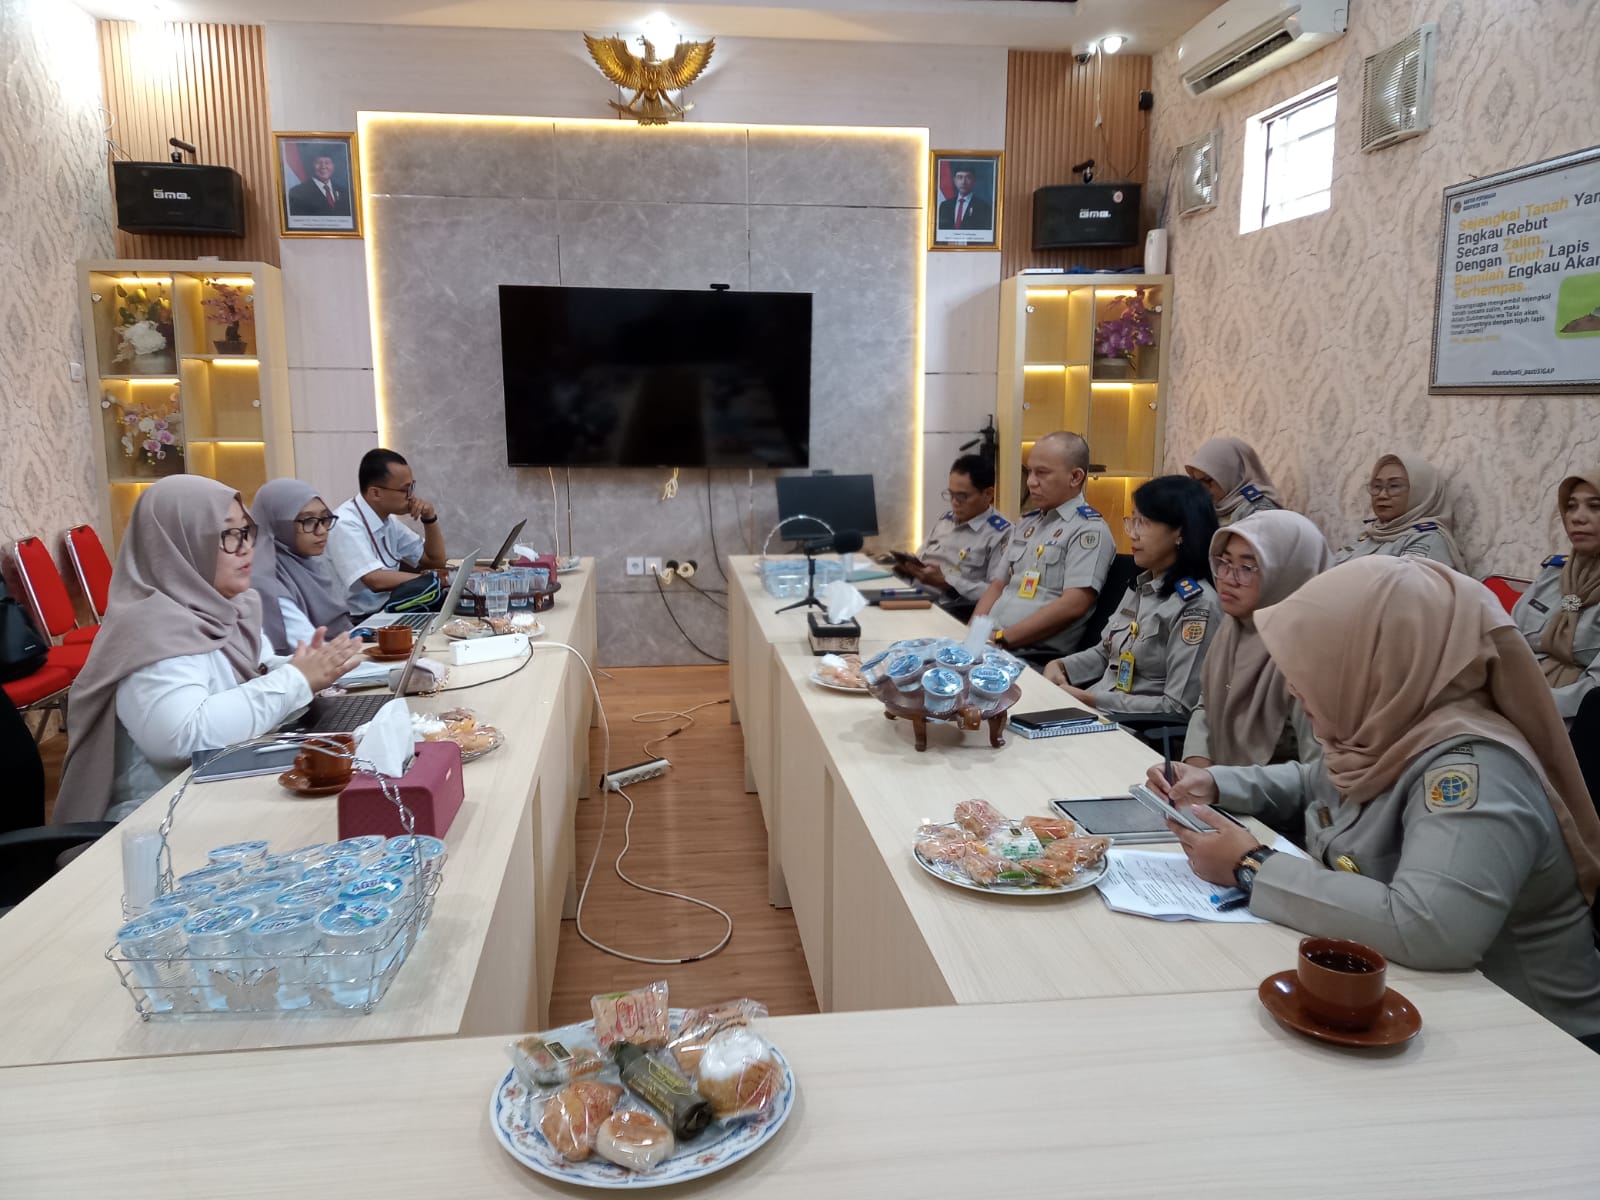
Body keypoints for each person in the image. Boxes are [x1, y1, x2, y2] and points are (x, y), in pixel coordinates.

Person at [1149, 556, 1600, 1044]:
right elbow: (1316, 780)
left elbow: (1429, 927)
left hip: (1529, 1039)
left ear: (1380, 661)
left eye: (1319, 665)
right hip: (1420, 1002)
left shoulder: (1476, 769)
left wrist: (1252, 865)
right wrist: (1215, 783)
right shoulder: (1394, 723)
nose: (1295, 688)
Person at [53, 477, 364, 824]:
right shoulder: (151, 627)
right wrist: (296, 679)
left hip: (221, 789)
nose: (245, 547)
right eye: (227, 534)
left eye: (246, 531)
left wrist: (308, 669)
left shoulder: (229, 605)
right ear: (179, 544)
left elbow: (256, 670)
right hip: (160, 818)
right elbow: (181, 737)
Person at [1046, 475, 1220, 717]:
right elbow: (1105, 653)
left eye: (1144, 523)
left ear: (1180, 532)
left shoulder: (1196, 604)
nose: (1132, 534)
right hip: (1096, 713)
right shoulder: (1141, 584)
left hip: (1135, 728)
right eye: (1132, 521)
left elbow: (1178, 707)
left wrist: (1091, 700)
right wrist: (1061, 666)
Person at [1183, 510, 1330, 768]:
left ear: (1289, 572)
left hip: (1272, 792)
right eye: (1224, 562)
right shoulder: (1235, 624)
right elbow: (1206, 704)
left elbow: (1319, 774)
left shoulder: (1313, 651)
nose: (1227, 579)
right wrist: (1195, 767)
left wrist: (1217, 782)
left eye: (1247, 568)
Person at [971, 431, 1115, 658]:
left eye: (1042, 473)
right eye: (1029, 472)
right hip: (990, 644)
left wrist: (1001, 638)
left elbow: (1074, 604)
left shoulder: (1088, 530)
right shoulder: (1027, 523)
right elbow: (997, 586)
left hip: (1029, 654)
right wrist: (971, 634)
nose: (1030, 481)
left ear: (1075, 477)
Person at [326, 448, 448, 618]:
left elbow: (434, 560)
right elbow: (374, 580)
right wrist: (435, 580)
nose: (411, 497)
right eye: (405, 490)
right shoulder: (345, 523)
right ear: (375, 493)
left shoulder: (388, 521)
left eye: (411, 487)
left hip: (388, 611)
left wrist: (429, 517)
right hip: (356, 621)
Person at [250, 478, 354, 656]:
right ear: (279, 525)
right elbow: (311, 649)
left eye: (325, 518)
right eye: (308, 521)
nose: (321, 530)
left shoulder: (309, 563)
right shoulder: (266, 582)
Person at [898, 454, 1011, 614]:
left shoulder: (1002, 533)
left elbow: (997, 593)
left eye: (962, 496)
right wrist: (909, 567)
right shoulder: (945, 521)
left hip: (949, 609)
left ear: (988, 494)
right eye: (951, 494)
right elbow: (920, 558)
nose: (954, 502)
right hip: (913, 595)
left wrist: (948, 582)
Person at [1334, 450, 1462, 568]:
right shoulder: (1371, 533)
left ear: (1421, 493)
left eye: (1394, 486)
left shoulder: (1428, 539)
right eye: (1377, 486)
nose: (1382, 495)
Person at [1184, 437, 1281, 526]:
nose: (1203, 487)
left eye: (1208, 480)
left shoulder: (1258, 510)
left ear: (1232, 474)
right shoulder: (1213, 507)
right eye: (1198, 481)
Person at [286, 148, 351, 217]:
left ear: (333, 166)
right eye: (318, 163)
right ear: (312, 165)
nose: (323, 166)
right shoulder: (297, 193)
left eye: (327, 163)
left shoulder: (344, 193)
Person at [936, 163, 992, 232]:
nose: (963, 182)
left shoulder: (984, 207)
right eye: (960, 177)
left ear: (974, 180)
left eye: (968, 177)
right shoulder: (945, 206)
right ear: (954, 180)